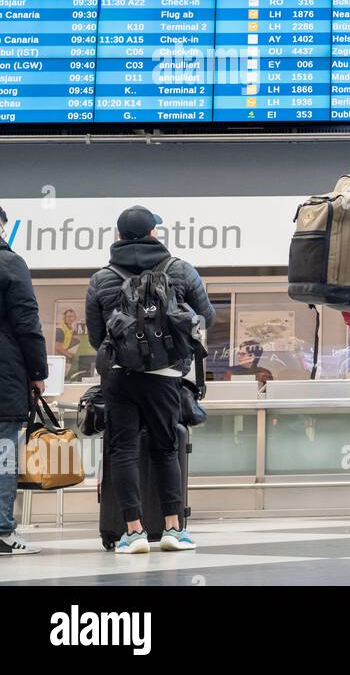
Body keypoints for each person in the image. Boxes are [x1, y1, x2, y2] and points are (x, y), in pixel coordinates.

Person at [86, 205, 216, 553]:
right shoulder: (180, 269)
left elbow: (96, 337)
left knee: (124, 451)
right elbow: (206, 318)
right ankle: (174, 529)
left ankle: (133, 532)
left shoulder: (102, 278)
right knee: (165, 448)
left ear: (118, 235)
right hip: (165, 375)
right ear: (152, 233)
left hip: (120, 375)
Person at [0, 204, 48, 556]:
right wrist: (38, 373)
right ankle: (2, 531)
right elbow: (27, 323)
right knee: (3, 455)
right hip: (4, 379)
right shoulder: (10, 264)